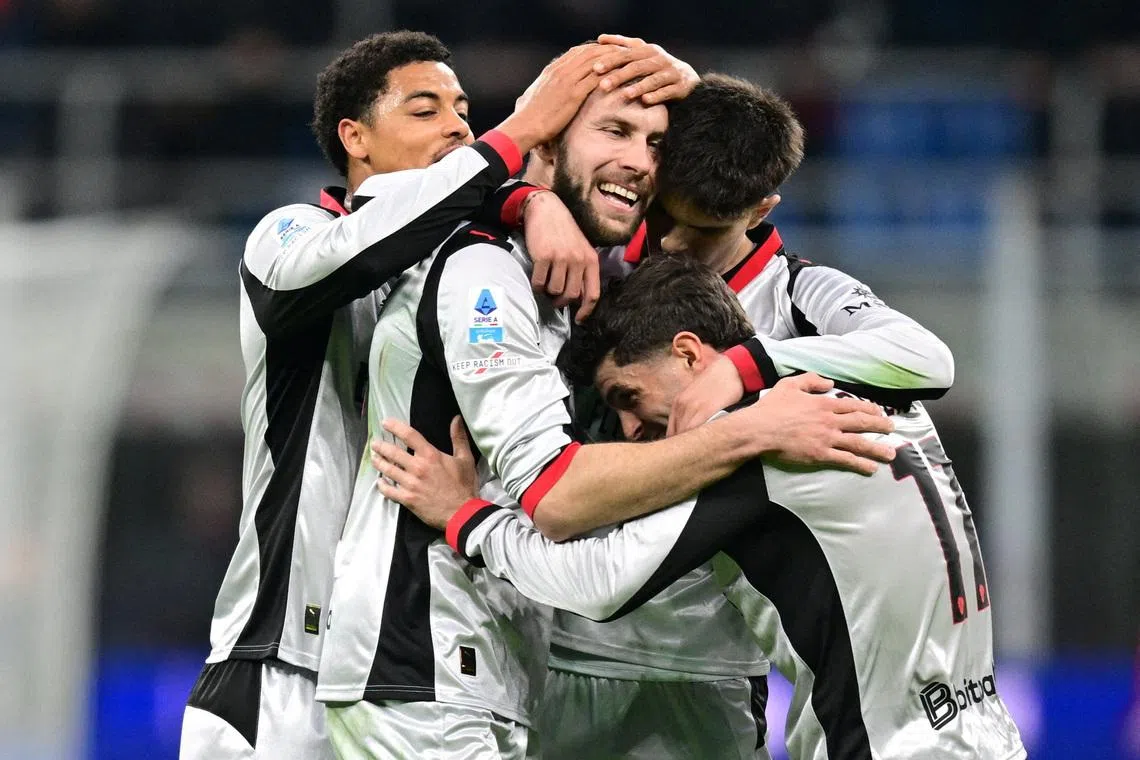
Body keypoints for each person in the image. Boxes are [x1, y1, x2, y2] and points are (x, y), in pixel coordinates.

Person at [316, 58, 897, 759]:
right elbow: (558, 496)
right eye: (615, 131)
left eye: (656, 144)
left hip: (607, 664)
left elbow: (926, 357)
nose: (639, 163)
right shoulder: (485, 265)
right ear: (548, 147)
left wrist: (697, 95)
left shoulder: (621, 270)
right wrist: (750, 429)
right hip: (447, 659)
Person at [178, 30, 691, 760]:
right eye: (425, 110)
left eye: (463, 110)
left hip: (411, 656)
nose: (457, 126)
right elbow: (367, 243)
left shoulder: (487, 262)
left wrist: (533, 200)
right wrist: (515, 171)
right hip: (278, 665)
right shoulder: (289, 234)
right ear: (354, 137)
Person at [384, 253, 1027, 760]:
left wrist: (466, 517)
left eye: (629, 396)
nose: (632, 429)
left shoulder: (762, 445)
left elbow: (598, 583)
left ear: (690, 353)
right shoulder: (868, 386)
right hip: (987, 736)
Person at [491, 71, 956, 759]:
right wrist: (528, 201)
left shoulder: (803, 295)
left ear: (761, 209)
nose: (672, 243)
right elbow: (489, 178)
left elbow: (928, 360)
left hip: (714, 668)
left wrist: (745, 365)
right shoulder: (605, 257)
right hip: (571, 648)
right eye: (665, 215)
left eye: (702, 231)